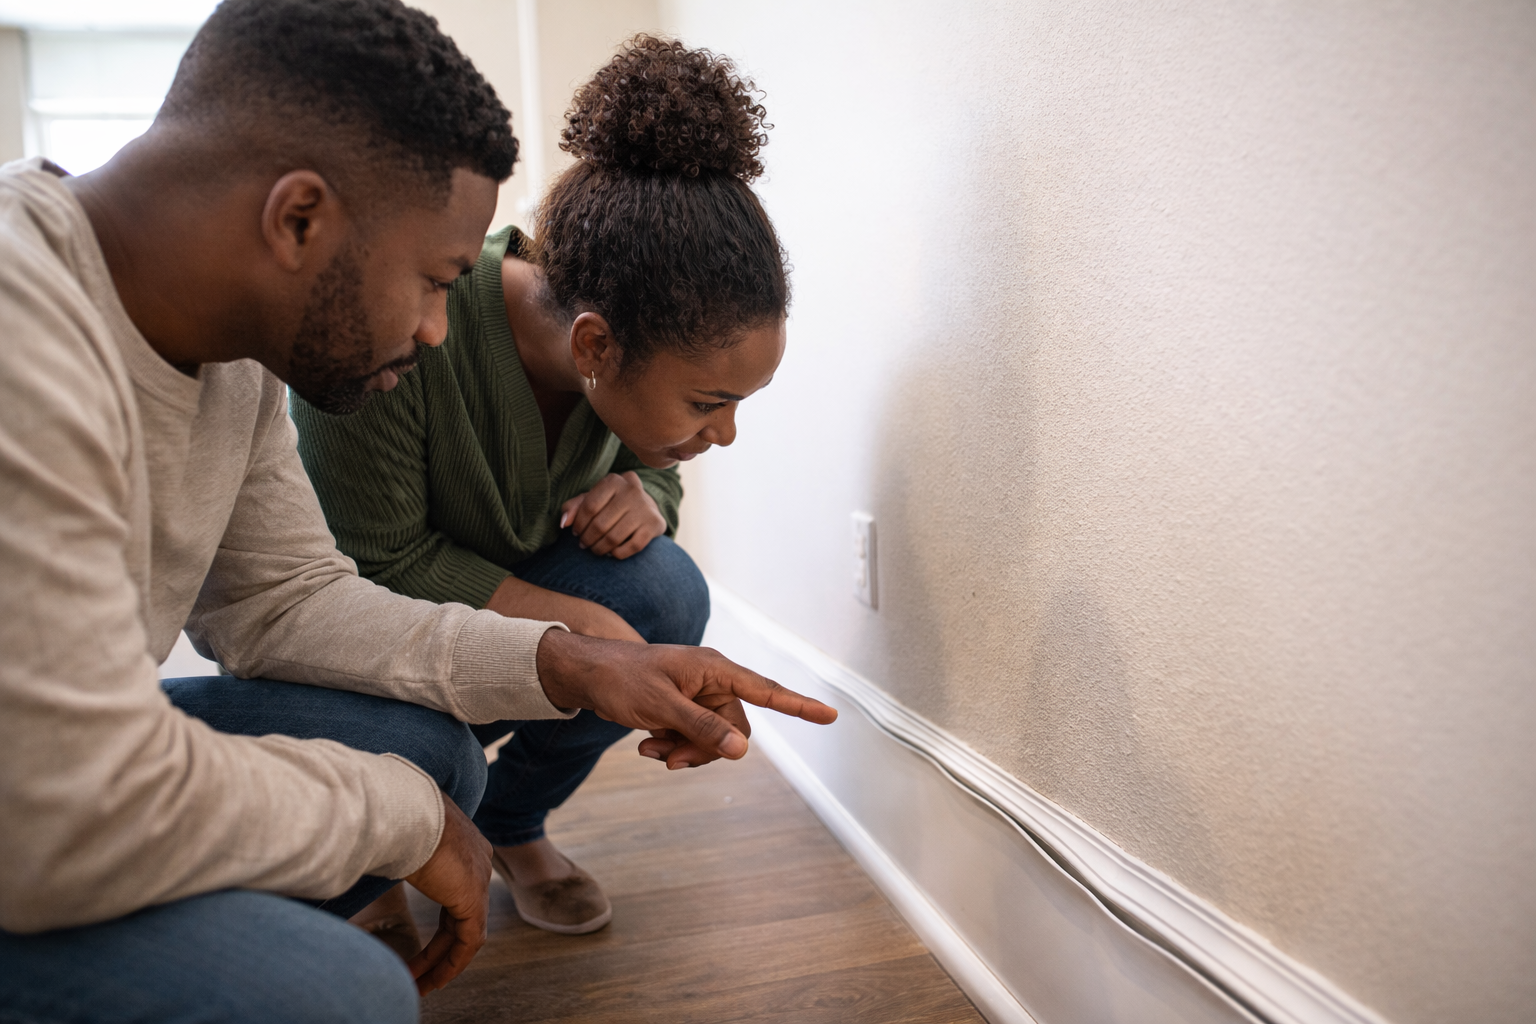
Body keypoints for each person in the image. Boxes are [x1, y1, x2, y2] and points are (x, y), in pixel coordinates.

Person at [0, 3, 835, 1023]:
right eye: (437, 279)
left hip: (46, 787)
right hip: (38, 811)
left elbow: (287, 601)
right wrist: (391, 818)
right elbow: (58, 804)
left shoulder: (238, 358)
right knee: (345, 991)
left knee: (432, 758)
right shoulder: (22, 333)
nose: (440, 326)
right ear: (299, 219)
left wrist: (570, 659)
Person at [293, 34, 790, 945]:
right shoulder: (403, 330)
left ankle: (507, 823)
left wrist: (649, 495)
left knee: (666, 591)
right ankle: (378, 847)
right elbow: (371, 566)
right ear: (595, 346)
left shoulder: (613, 351)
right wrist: (581, 638)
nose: (722, 434)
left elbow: (647, 464)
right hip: (357, 629)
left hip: (499, 603)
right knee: (446, 730)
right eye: (709, 402)